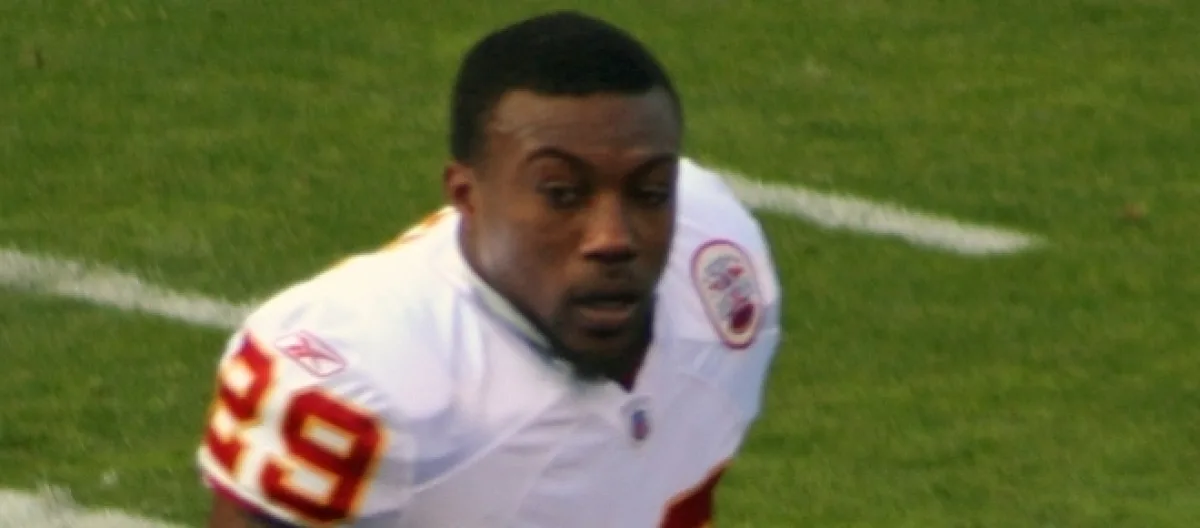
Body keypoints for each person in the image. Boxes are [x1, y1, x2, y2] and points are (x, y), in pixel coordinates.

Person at [197, 10, 782, 528]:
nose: (613, 238)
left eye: (650, 192)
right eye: (562, 194)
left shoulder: (716, 268)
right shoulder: (366, 370)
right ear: (466, 196)